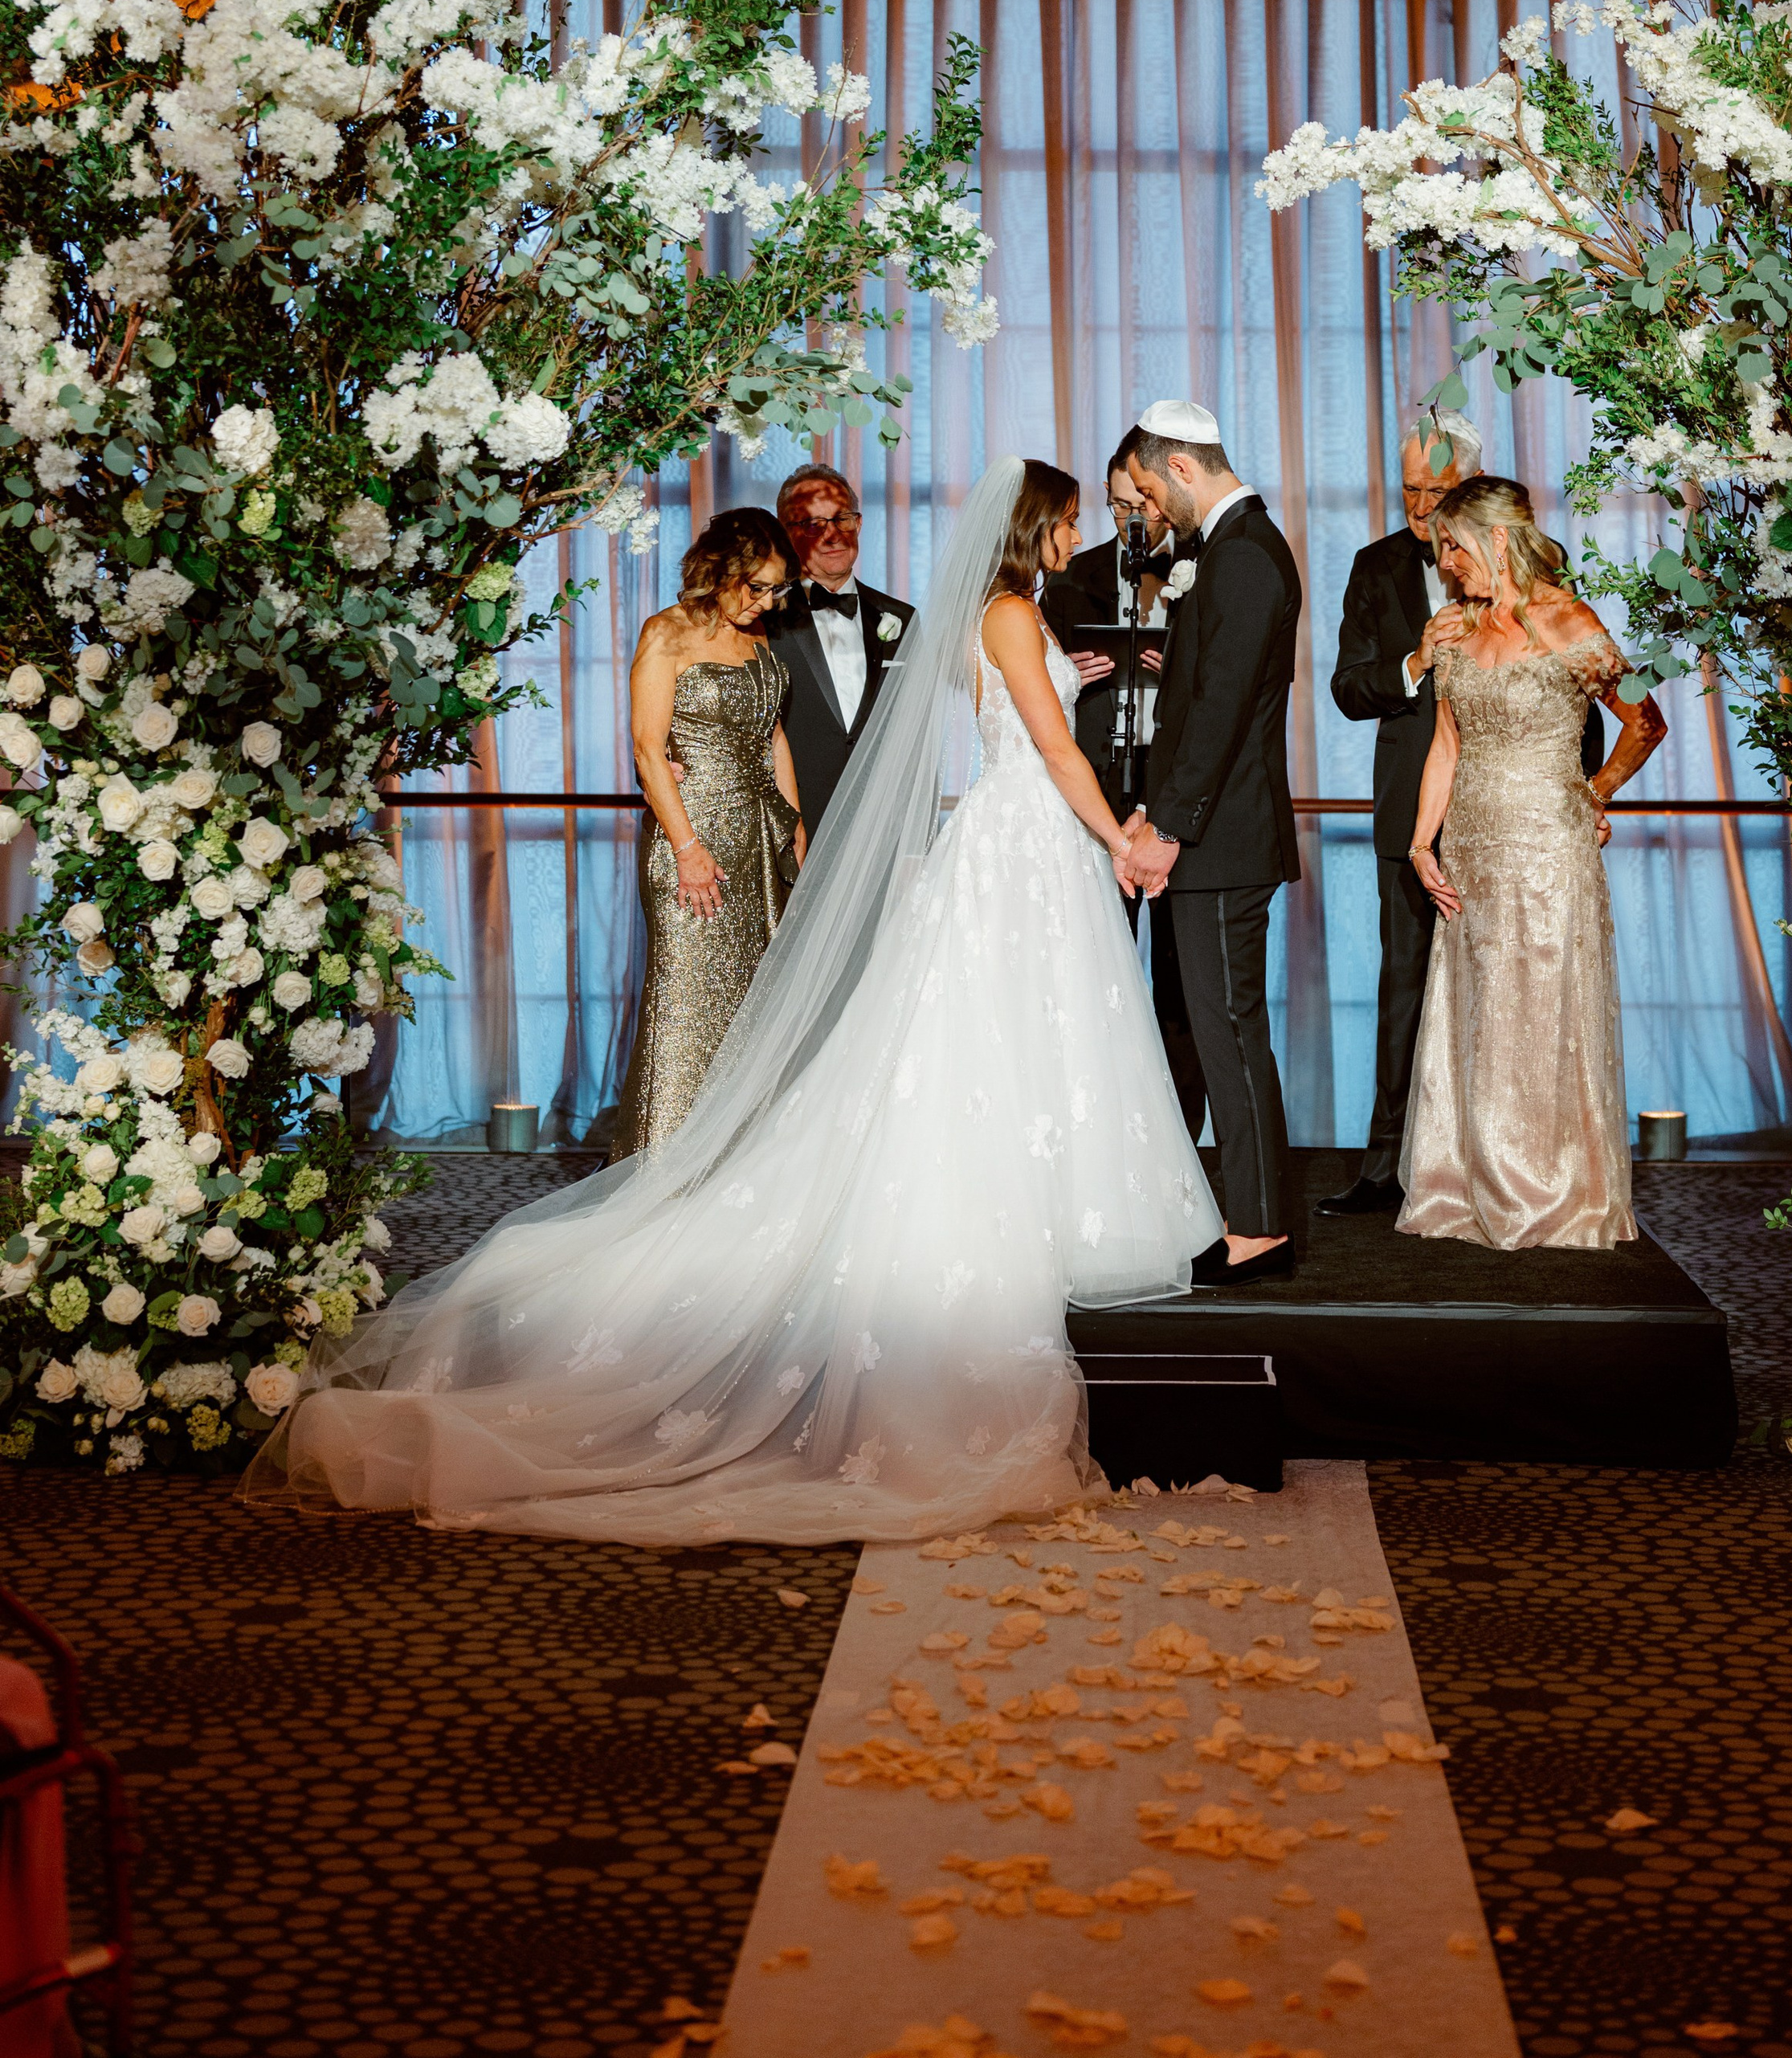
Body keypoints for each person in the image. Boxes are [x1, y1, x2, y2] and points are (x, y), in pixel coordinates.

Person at [244, 458, 1222, 1542]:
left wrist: (1072, 693)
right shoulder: (989, 615)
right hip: (1007, 833)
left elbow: (1022, 714)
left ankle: (1047, 1200)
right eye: (1071, 518)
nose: (1080, 533)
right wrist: (1120, 831)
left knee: (1033, 1033)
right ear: (1034, 525)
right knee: (962, 1037)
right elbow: (1039, 741)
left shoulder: (996, 616)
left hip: (984, 837)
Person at [1324, 425, 1605, 1219]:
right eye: (1406, 489)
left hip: (1522, 820)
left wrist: (1583, 794)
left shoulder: (1546, 586)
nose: (1417, 507)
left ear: (1473, 488)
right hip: (1418, 810)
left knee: (1523, 992)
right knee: (1406, 992)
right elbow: (1347, 690)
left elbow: (1579, 706)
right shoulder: (1375, 568)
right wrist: (1415, 661)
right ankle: (1390, 1167)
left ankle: (1516, 1165)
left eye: (1433, 492)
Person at [1398, 475, 1666, 1252]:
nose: (1445, 564)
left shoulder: (1568, 620)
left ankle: (1553, 1191)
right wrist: (1422, 845)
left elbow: (1644, 722)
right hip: (1471, 845)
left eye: (1451, 545)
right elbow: (1445, 745)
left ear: (1497, 538)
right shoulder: (1452, 627)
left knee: (1543, 1015)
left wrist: (1596, 792)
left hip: (1549, 844)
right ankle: (1469, 1183)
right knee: (1478, 1015)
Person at [1120, 401, 1301, 1282]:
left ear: (1183, 470)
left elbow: (1221, 711)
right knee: (1221, 1026)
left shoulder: (1241, 558)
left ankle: (1262, 1226)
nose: (1152, 510)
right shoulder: (1228, 554)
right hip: (1210, 832)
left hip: (1222, 838)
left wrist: (1170, 830)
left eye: (1152, 491)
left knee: (1229, 1028)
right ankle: (1252, 1210)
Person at [615, 508, 806, 1154]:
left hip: (759, 842)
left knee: (751, 1015)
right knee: (687, 1011)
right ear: (719, 570)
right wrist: (688, 850)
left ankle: (734, 1169)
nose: (765, 600)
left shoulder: (758, 642)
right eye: (755, 585)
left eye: (776, 588)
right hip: (692, 844)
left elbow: (774, 739)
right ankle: (660, 1179)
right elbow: (647, 750)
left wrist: (795, 836)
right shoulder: (666, 634)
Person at [1040, 429, 1202, 1137]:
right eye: (1113, 505)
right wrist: (1068, 679)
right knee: (1090, 973)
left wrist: (1185, 669)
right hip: (1095, 793)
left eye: (1139, 502)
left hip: (1171, 793)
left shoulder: (1202, 567)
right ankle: (1096, 1134)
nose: (1128, 517)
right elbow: (1032, 683)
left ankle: (1182, 1141)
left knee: (1180, 986)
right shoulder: (1071, 573)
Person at [763, 464, 913, 844]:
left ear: (858, 524)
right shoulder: (762, 617)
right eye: (813, 524)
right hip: (790, 824)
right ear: (787, 533)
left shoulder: (902, 618)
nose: (832, 535)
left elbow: (916, 723)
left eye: (841, 519)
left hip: (879, 824)